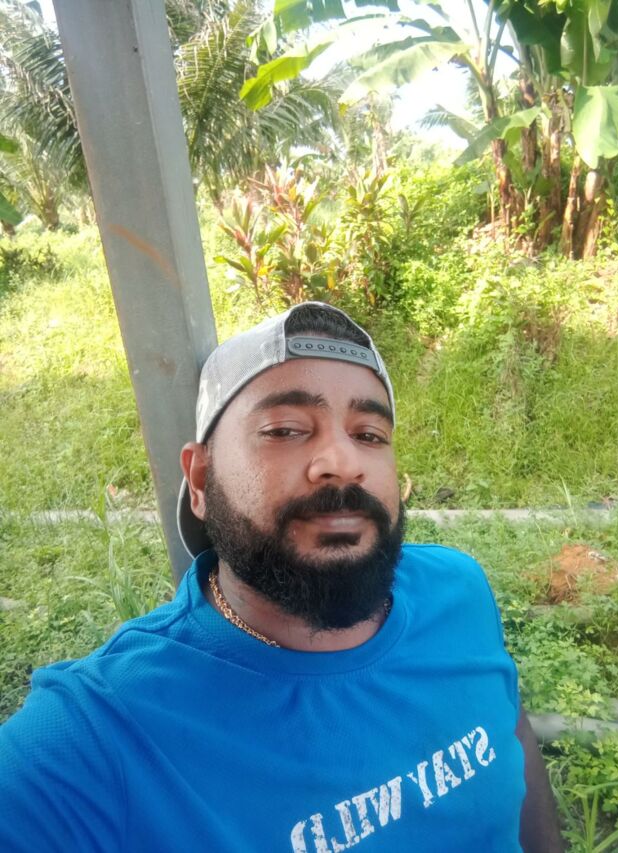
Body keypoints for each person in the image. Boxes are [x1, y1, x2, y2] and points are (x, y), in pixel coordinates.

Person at [0, 302, 563, 852]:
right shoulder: (98, 734)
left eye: (369, 434)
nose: (343, 462)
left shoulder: (459, 590)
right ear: (201, 480)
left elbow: (510, 740)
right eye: (286, 429)